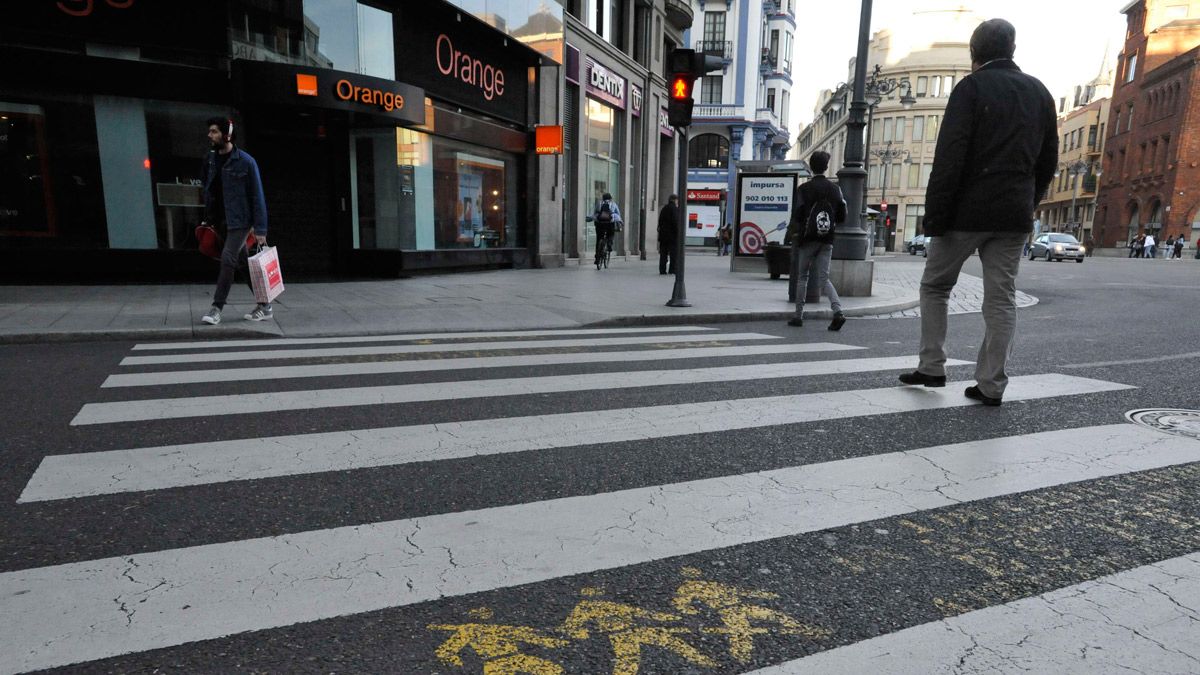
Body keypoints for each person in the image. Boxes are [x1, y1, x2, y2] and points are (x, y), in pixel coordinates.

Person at [898, 19, 1057, 407]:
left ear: (974, 53)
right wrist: (1028, 200)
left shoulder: (970, 89)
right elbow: (1048, 160)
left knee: (935, 286)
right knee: (1001, 299)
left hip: (966, 211)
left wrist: (935, 215)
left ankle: (933, 365)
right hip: (1013, 213)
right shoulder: (1040, 92)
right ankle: (991, 384)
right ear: (1013, 49)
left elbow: (950, 157)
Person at [199, 117, 269, 325]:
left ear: (226, 134)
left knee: (228, 259)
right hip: (220, 220)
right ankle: (265, 306)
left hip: (240, 221)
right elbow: (207, 188)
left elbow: (257, 195)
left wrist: (260, 228)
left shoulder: (246, 162)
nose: (210, 135)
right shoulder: (210, 160)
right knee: (243, 263)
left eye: (214, 131)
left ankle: (216, 308)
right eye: (210, 131)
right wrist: (208, 217)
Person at [783, 150, 847, 330]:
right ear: (826, 167)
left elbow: (797, 214)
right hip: (827, 239)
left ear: (811, 167)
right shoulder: (836, 189)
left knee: (802, 276)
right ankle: (838, 311)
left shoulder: (804, 189)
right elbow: (842, 215)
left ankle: (798, 315)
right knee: (824, 278)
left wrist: (791, 235)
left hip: (807, 239)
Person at [592, 192, 622, 268]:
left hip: (600, 224)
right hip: (609, 223)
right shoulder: (613, 204)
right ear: (610, 198)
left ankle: (597, 258)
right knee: (611, 234)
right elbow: (618, 214)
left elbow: (595, 213)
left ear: (603, 198)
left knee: (599, 239)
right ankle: (609, 244)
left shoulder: (599, 203)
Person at [656, 194, 679, 274]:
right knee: (673, 254)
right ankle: (672, 270)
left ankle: (662, 270)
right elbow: (676, 222)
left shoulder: (664, 209)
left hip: (663, 236)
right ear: (675, 200)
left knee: (663, 254)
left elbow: (660, 221)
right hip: (672, 236)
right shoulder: (675, 209)